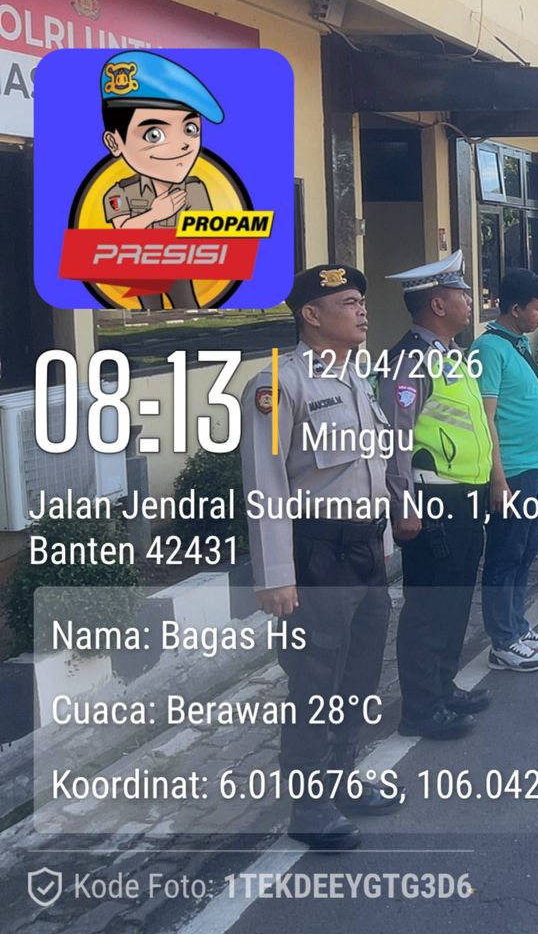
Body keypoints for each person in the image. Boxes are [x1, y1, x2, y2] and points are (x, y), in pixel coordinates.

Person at [241, 264, 398, 852]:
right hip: (317, 554)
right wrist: (276, 575)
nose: (362, 310)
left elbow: (370, 470)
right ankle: (308, 808)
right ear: (311, 314)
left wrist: (384, 539)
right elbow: (265, 482)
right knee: (316, 682)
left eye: (361, 301)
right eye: (349, 302)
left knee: (359, 674)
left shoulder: (357, 377)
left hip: (364, 548)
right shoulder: (280, 383)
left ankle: (341, 779)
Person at [379, 249, 492, 738]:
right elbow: (395, 440)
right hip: (433, 504)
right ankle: (421, 709)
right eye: (461, 294)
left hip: (464, 499)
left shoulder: (451, 355)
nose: (470, 301)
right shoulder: (410, 360)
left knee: (455, 601)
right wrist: (403, 505)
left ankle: (443, 686)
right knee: (429, 609)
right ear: (438, 305)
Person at [471, 269, 538, 672]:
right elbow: (485, 418)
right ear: (514, 308)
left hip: (535, 464)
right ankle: (503, 640)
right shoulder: (488, 349)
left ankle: (518, 626)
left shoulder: (517, 343)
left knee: (526, 550)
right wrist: (498, 477)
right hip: (512, 471)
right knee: (506, 554)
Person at [95, 50, 223, 309]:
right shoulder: (120, 192)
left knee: (192, 312)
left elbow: (207, 237)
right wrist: (155, 214)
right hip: (141, 269)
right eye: (154, 134)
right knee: (149, 315)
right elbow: (121, 236)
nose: (182, 145)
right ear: (114, 142)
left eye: (190, 129)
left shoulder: (195, 188)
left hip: (180, 269)